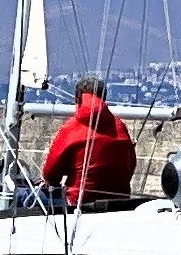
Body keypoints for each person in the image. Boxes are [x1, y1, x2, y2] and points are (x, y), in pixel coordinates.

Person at [42, 77, 136, 209]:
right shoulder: (120, 127)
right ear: (103, 99)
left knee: (24, 197)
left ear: (78, 99)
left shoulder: (71, 127)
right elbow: (131, 166)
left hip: (78, 203)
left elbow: (50, 174)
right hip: (118, 204)